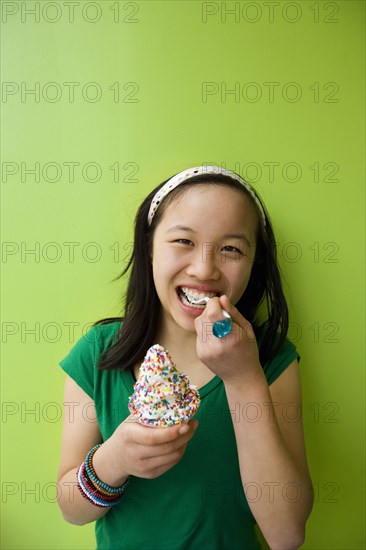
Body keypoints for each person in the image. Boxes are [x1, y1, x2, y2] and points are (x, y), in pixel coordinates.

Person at [57, 166, 313, 550]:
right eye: (183, 241)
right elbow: (70, 510)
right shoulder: (98, 352)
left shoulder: (271, 358)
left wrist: (244, 379)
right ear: (149, 247)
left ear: (254, 263)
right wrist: (114, 460)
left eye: (231, 249)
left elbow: (287, 535)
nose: (205, 268)